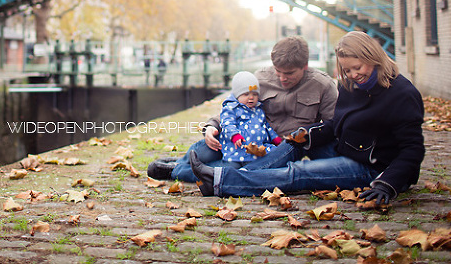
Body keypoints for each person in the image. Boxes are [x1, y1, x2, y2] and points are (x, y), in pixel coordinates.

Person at [190, 31, 426, 205]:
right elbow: (336, 124)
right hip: (346, 150)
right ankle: (224, 174)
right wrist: (307, 135)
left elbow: (412, 149)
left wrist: (388, 183)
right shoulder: (350, 85)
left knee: (298, 174)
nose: (353, 75)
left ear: (372, 57)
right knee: (292, 144)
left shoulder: (402, 94)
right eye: (347, 70)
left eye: (357, 68)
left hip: (374, 168)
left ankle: (222, 180)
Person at [147, 36, 337, 182]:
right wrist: (211, 127)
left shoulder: (323, 85)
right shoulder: (260, 79)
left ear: (304, 66)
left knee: (234, 171)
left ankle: (176, 170)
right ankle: (182, 162)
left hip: (277, 150)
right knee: (208, 148)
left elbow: (332, 126)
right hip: (242, 139)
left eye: (289, 74)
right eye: (277, 72)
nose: (282, 78)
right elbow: (235, 106)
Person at [219, 71, 282, 166]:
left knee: (268, 163)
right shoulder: (231, 108)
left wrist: (275, 138)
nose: (251, 98)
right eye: (246, 94)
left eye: (255, 94)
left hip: (257, 150)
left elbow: (266, 125)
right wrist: (234, 135)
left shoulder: (258, 110)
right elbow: (227, 123)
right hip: (237, 151)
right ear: (237, 96)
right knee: (231, 170)